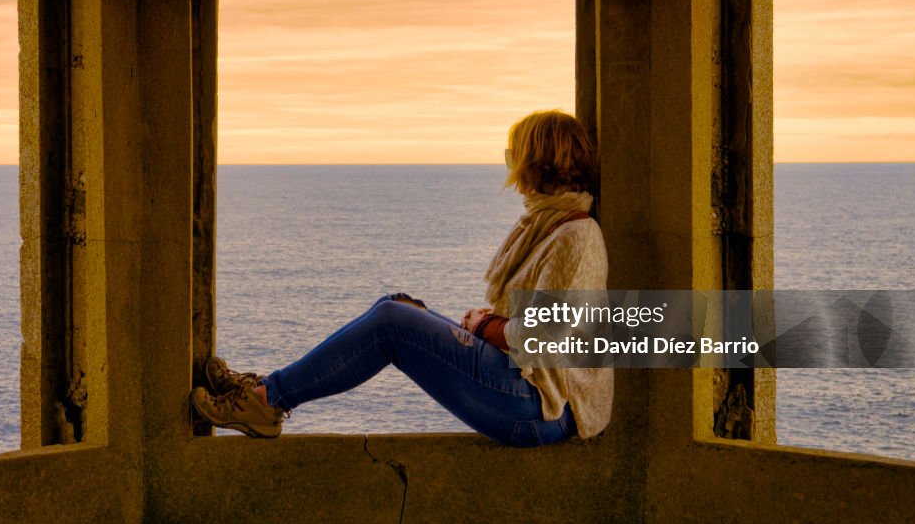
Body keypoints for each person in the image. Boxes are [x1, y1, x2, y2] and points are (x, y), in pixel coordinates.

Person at [190, 110, 612, 446]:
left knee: (393, 321)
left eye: (513, 156)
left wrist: (485, 326)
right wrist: (489, 325)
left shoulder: (575, 234)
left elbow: (548, 337)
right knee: (397, 305)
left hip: (542, 410)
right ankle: (265, 391)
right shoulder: (551, 226)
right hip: (527, 391)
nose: (511, 167)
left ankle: (266, 402)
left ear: (538, 163)